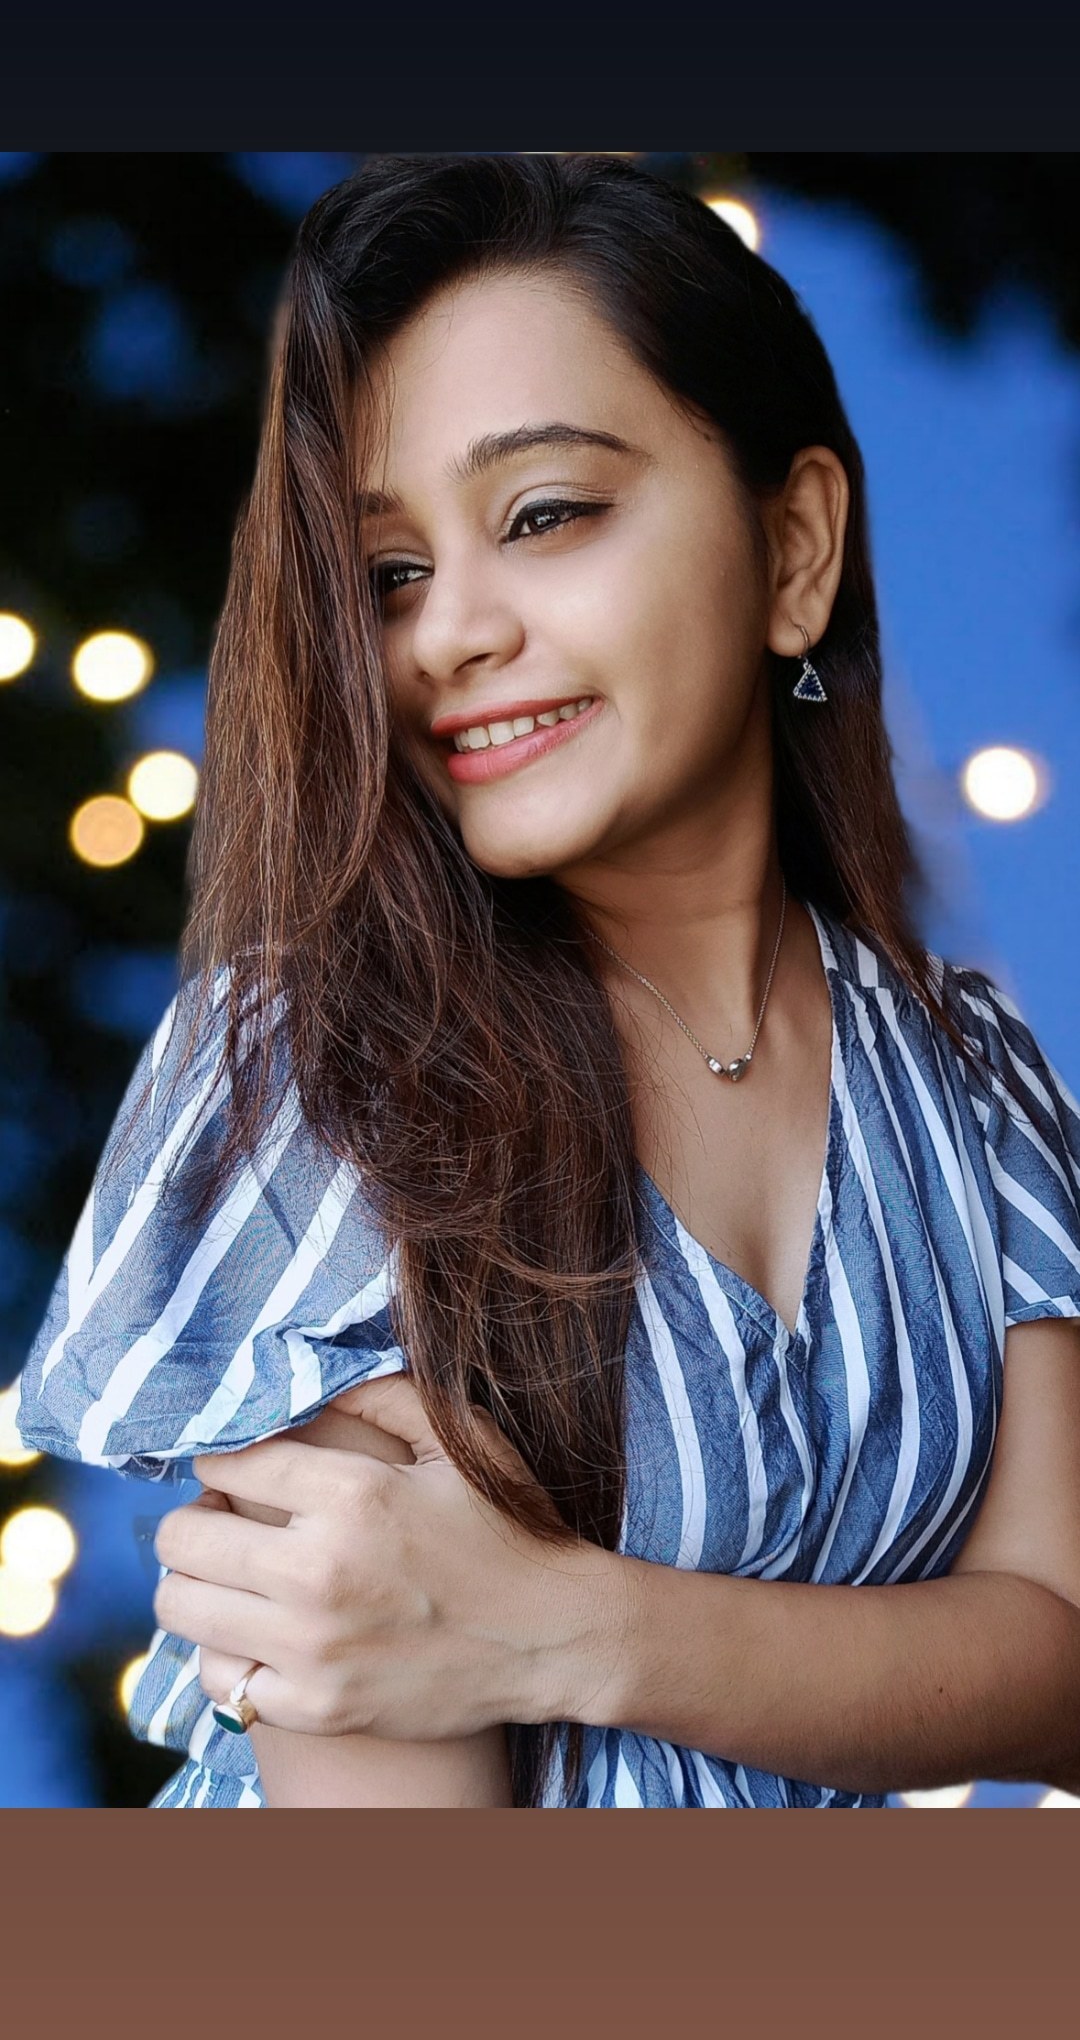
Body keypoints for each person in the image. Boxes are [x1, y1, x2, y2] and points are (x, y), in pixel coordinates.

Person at [15, 152, 1080, 1810]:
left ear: (795, 547)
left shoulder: (969, 1079)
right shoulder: (318, 1078)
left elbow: (1057, 1653)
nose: (446, 636)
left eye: (543, 514)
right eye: (391, 574)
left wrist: (571, 1629)